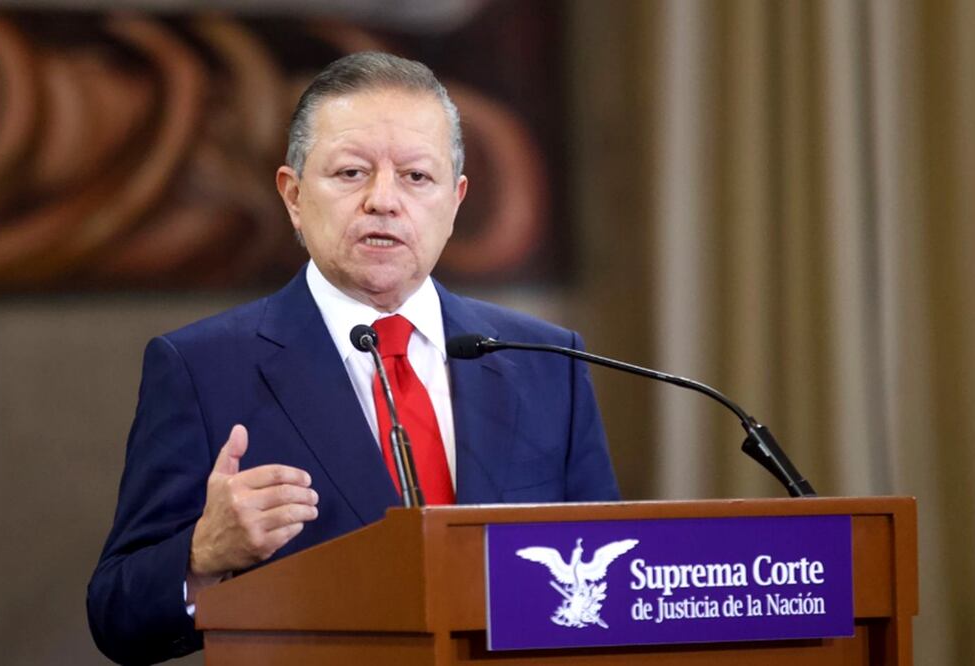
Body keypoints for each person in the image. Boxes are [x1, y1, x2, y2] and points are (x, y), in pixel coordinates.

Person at [86, 52, 619, 664]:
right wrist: (202, 555)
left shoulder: (547, 361)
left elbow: (602, 574)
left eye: (417, 176)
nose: (383, 201)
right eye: (350, 173)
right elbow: (116, 616)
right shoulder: (202, 368)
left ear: (457, 199)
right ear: (292, 195)